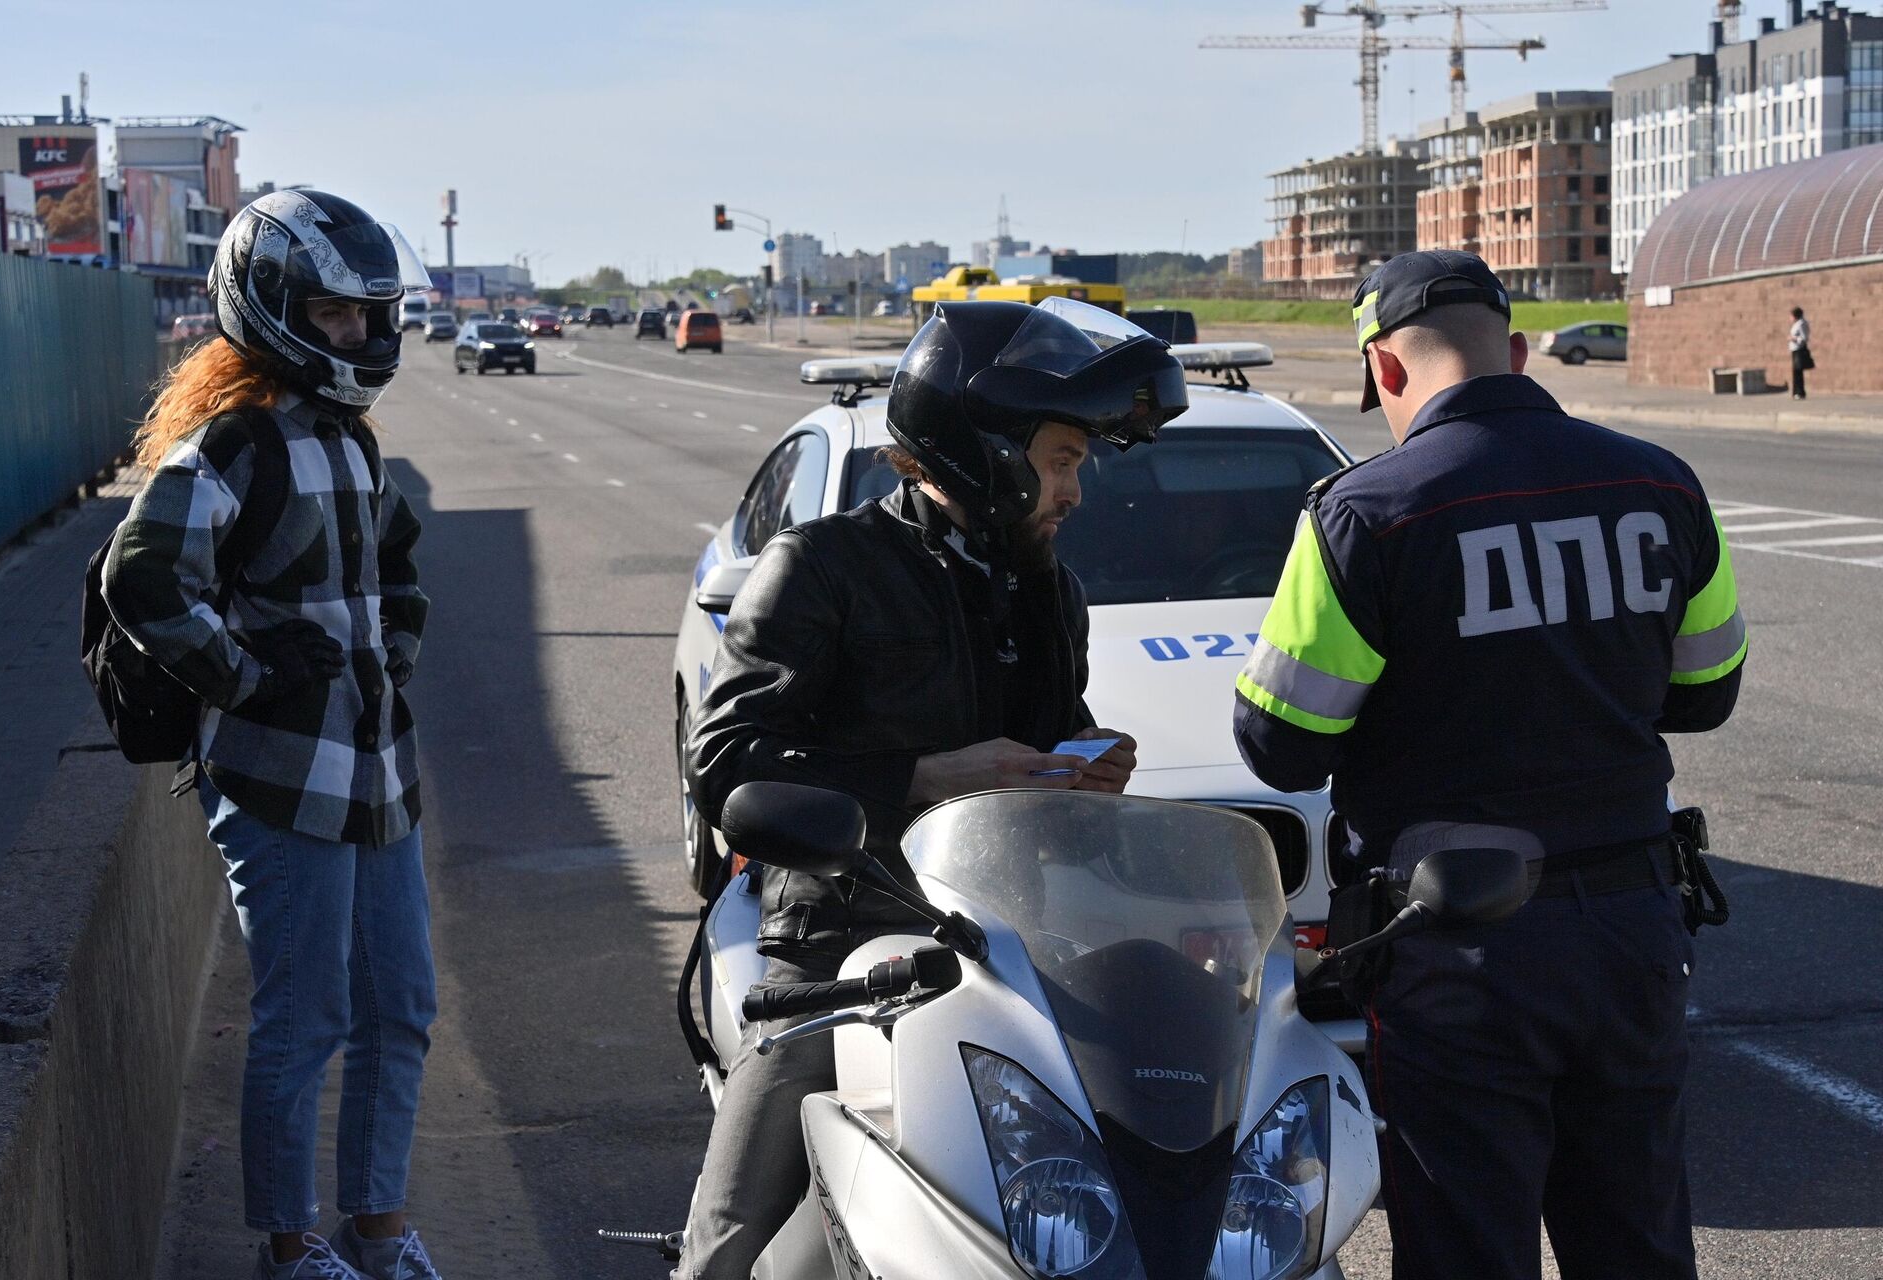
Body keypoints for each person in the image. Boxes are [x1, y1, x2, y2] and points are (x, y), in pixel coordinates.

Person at [1233, 250, 1745, 1280]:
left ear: (1384, 369)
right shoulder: (1661, 483)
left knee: (1468, 1243)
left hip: (1461, 950)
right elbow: (1705, 693)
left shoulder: (1364, 512)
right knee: (1638, 1235)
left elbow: (1279, 738)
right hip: (1634, 930)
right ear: (1515, 350)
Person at [679, 298, 1188, 1279]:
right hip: (842, 952)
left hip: (1012, 955)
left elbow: (1043, 732)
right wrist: (915, 779)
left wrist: (1082, 763)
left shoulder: (1046, 587)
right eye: (1063, 458)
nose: (1074, 491)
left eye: (1077, 462)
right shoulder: (823, 566)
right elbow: (727, 763)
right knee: (728, 1246)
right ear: (986, 446)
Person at [104, 189, 443, 1280]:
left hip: (379, 775)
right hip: (279, 781)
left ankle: (379, 1227)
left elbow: (397, 564)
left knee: (402, 1007)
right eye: (333, 314)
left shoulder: (350, 440)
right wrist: (245, 676)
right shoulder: (233, 446)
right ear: (269, 307)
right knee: (306, 1020)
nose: (357, 334)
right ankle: (292, 1245)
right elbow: (141, 576)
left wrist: (391, 652)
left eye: (367, 315)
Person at [1789, 305, 1812, 399]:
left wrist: (1793, 338)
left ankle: (1800, 392)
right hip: (1794, 349)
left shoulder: (1801, 324)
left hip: (1799, 349)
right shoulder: (1797, 323)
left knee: (1798, 372)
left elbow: (1804, 338)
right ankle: (1796, 392)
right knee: (1796, 372)